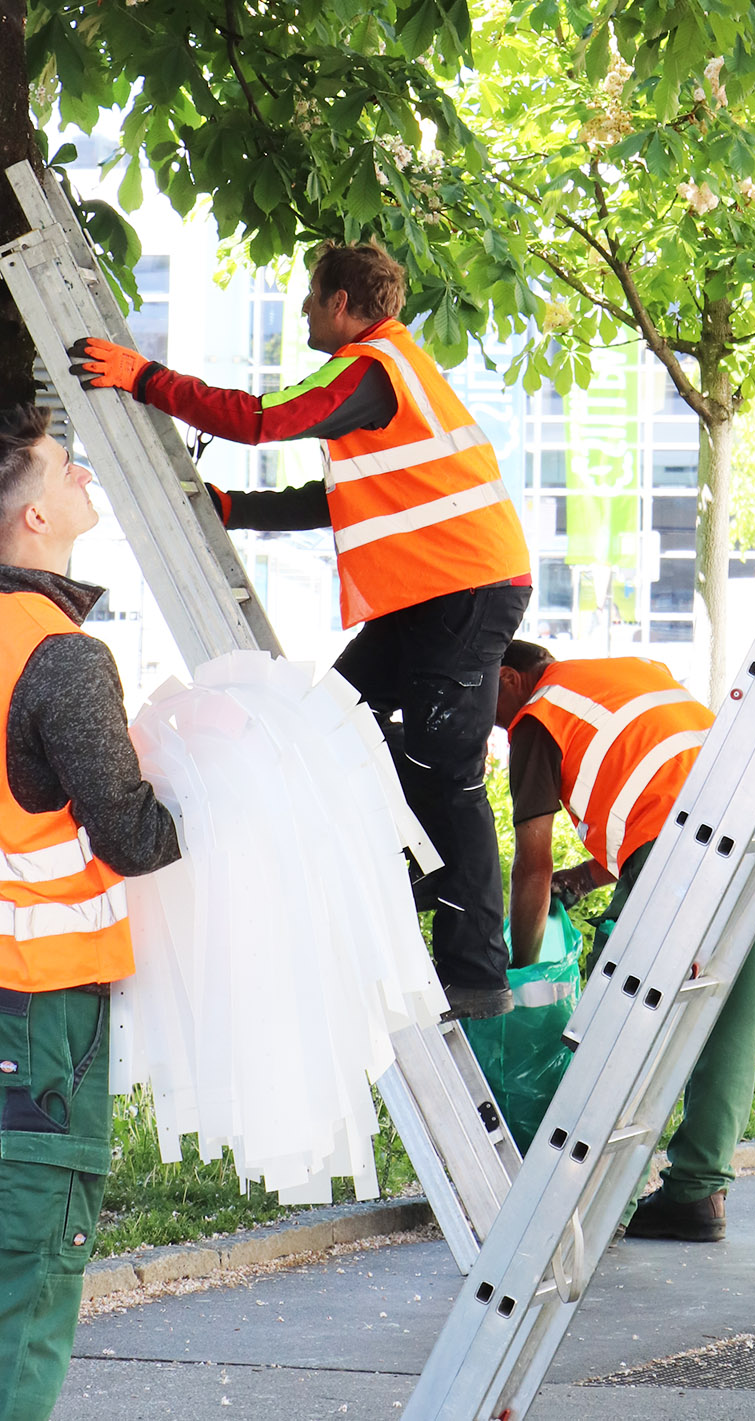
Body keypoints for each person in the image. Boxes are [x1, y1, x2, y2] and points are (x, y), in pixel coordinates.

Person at [68, 241, 531, 1020]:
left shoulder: (368, 366)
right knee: (334, 716)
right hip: (437, 594)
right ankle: (406, 877)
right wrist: (236, 510)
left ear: (344, 303)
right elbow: (342, 499)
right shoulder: (390, 378)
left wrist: (143, 377)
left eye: (313, 300)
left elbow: (260, 419)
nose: (307, 314)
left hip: (462, 591)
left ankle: (475, 974)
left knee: (449, 774)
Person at [0, 405, 180, 1421]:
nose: (83, 477)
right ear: (31, 515)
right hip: (31, 1014)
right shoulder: (57, 652)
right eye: (66, 466)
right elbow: (131, 834)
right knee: (24, 1275)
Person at [495, 639, 755, 1245]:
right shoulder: (627, 673)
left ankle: (589, 1199)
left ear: (512, 677)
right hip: (750, 835)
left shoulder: (536, 717)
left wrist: (523, 973)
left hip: (676, 850)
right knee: (729, 1014)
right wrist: (593, 873)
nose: (483, 717)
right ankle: (699, 1192)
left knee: (613, 1023)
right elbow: (654, 784)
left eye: (483, 690)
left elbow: (532, 867)